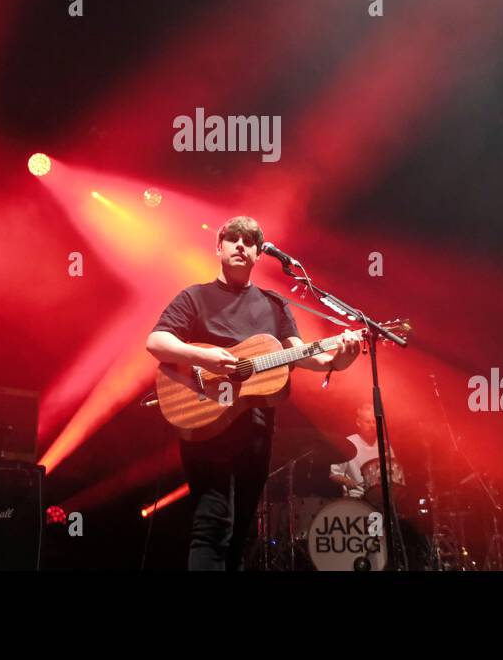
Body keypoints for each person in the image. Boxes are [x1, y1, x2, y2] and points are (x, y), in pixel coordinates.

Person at [146, 216, 360, 570]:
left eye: (249, 242)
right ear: (219, 247)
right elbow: (157, 341)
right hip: (205, 417)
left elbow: (306, 355)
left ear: (260, 254)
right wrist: (205, 356)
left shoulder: (274, 304)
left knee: (244, 529)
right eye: (233, 239)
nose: (241, 246)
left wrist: (341, 360)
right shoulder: (195, 297)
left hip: (257, 427)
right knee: (212, 524)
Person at [329, 402, 397, 499]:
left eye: (374, 422)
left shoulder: (385, 445)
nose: (372, 425)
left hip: (381, 500)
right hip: (356, 499)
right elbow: (334, 474)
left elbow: (394, 473)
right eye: (368, 422)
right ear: (358, 423)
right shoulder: (348, 443)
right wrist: (347, 481)